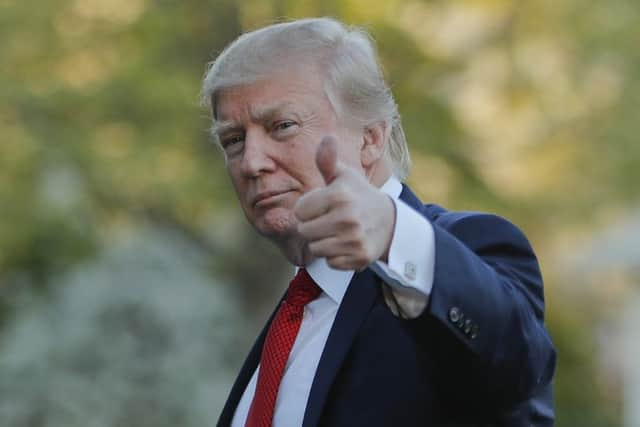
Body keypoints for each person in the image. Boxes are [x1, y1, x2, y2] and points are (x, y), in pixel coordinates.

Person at [201, 17, 556, 427]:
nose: (251, 162)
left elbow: (522, 367)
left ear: (370, 138)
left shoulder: (463, 251)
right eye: (234, 140)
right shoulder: (294, 312)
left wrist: (393, 233)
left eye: (282, 126)